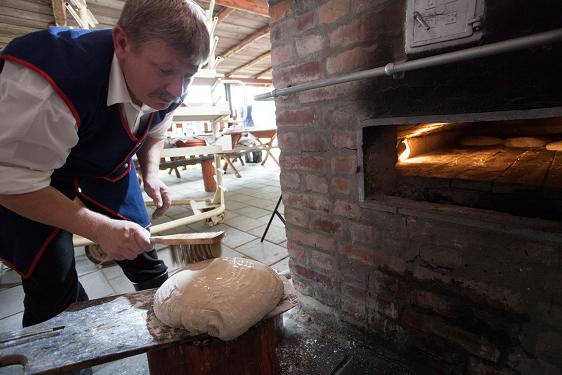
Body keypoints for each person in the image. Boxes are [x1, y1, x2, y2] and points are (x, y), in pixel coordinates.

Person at [0, 0, 210, 327]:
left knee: (141, 248)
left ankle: (172, 320)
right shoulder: (47, 83)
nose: (177, 89)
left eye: (190, 74)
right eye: (166, 70)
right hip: (27, 176)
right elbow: (12, 181)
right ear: (122, 43)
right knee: (52, 280)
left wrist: (151, 173)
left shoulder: (171, 84)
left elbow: (157, 127)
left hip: (104, 164)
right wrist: (97, 228)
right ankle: (65, 346)